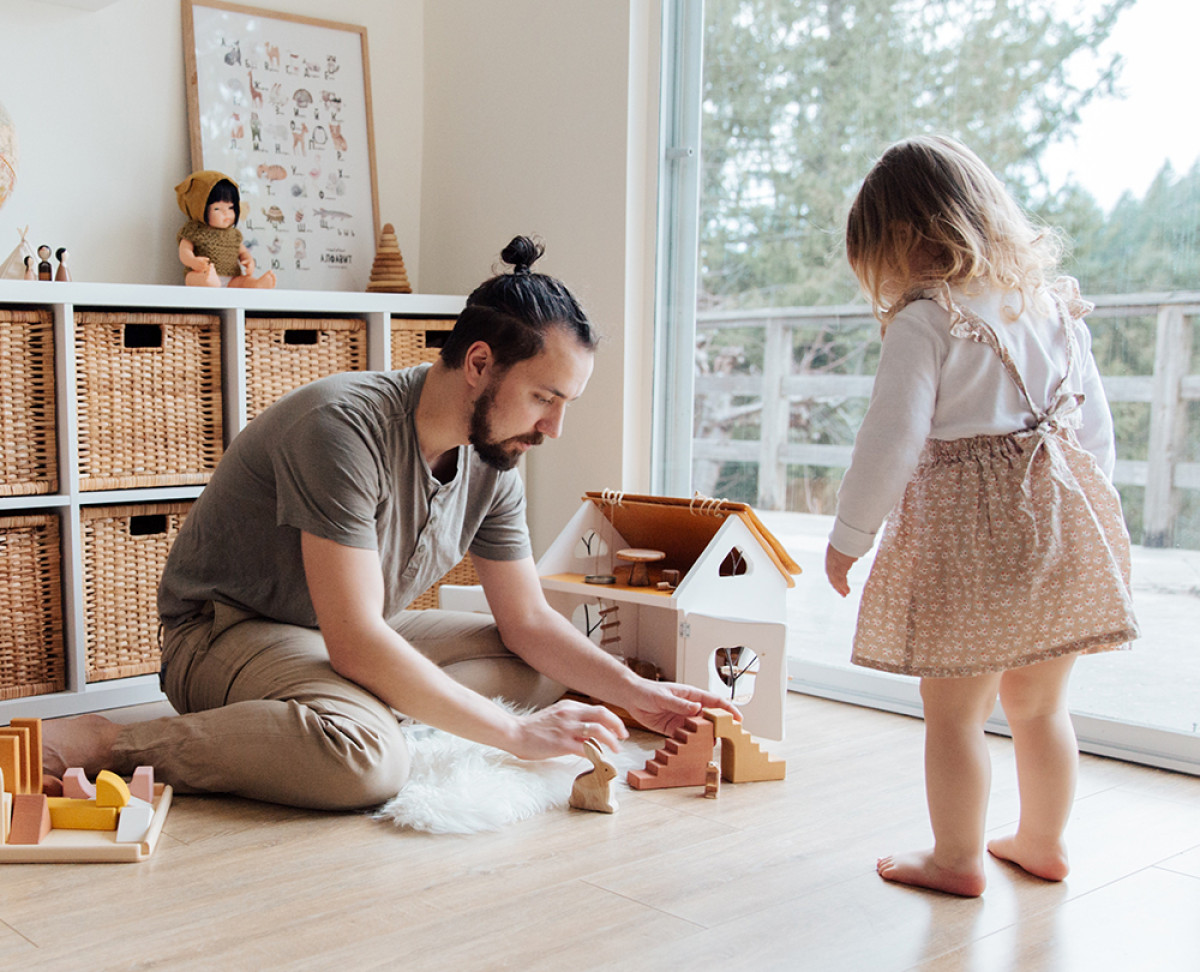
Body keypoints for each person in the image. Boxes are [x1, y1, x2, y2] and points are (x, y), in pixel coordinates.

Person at [43, 236, 737, 810]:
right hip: (226, 631)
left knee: (536, 672)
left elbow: (527, 621)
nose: (554, 428)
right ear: (479, 364)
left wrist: (646, 698)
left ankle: (357, 710)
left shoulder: (493, 458)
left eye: (567, 404)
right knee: (370, 763)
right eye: (544, 399)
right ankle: (117, 743)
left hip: (347, 629)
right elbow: (354, 640)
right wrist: (513, 738)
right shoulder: (341, 429)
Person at [824, 136, 1138, 897]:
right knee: (1040, 705)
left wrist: (848, 539)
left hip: (971, 541)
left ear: (900, 241)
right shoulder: (1053, 305)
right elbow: (1094, 436)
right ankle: (1043, 841)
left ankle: (957, 858)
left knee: (955, 712)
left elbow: (889, 442)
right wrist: (1101, 520)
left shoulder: (927, 319)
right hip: (1063, 521)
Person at [175, 169, 276, 288]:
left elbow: (242, 252)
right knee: (191, 277)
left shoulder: (234, 235)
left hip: (232, 279)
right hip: (203, 272)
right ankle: (209, 281)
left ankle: (256, 285)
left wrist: (249, 261)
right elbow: (184, 251)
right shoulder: (194, 231)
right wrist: (192, 261)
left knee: (244, 281)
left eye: (230, 208)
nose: (226, 214)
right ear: (198, 209)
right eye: (217, 209)